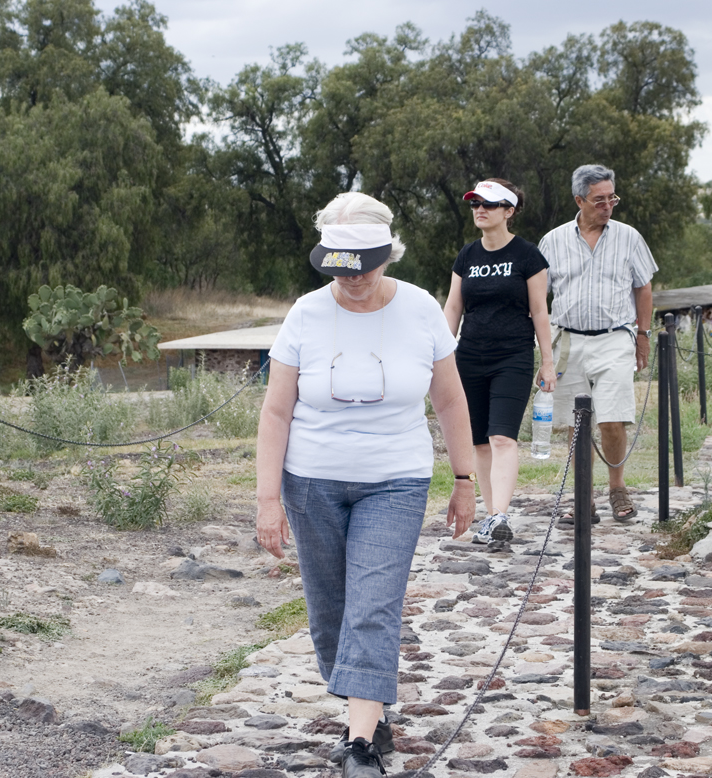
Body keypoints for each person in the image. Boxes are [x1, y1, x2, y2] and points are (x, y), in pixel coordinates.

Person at [255, 192, 477, 778]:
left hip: (394, 480)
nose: (352, 280)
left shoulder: (422, 308)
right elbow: (276, 412)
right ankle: (368, 710)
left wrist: (464, 480)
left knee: (373, 605)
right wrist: (267, 500)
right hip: (312, 481)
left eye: (365, 265)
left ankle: (357, 747)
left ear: (388, 254)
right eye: (339, 267)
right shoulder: (304, 313)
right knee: (330, 611)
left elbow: (450, 398)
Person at [538, 164, 657, 523]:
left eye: (612, 199)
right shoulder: (553, 241)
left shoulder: (629, 237)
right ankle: (583, 497)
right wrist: (543, 351)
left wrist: (643, 335)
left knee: (613, 417)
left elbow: (644, 287)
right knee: (577, 423)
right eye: (599, 200)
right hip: (568, 340)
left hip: (614, 337)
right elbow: (537, 296)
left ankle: (617, 487)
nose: (607, 206)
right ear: (580, 200)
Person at [443, 179, 556, 544]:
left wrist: (547, 362)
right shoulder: (467, 256)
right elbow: (454, 307)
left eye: (489, 204)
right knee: (478, 443)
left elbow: (540, 311)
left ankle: (502, 513)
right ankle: (493, 519)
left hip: (513, 356)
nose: (480, 209)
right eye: (475, 203)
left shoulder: (528, 256)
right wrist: (440, 354)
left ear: (509, 211)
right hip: (469, 357)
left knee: (502, 437)